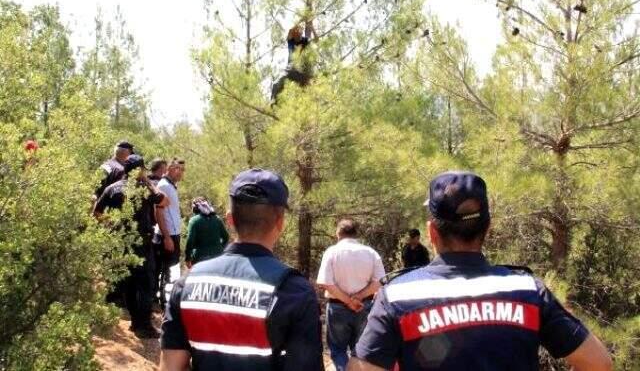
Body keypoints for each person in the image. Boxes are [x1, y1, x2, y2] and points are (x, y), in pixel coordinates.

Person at [348, 171, 613, 371]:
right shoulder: (529, 291)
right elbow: (599, 363)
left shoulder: (397, 297)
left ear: (431, 232)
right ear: (488, 228)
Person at [160, 168, 324, 371]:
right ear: (280, 223)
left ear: (229, 219)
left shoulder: (187, 283)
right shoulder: (295, 290)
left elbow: (170, 367)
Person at [94, 154, 168, 338]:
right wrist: (148, 182)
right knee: (145, 283)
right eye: (142, 170)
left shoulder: (112, 188)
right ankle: (142, 325)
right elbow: (164, 201)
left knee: (128, 283)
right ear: (139, 170)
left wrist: (112, 225)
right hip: (141, 243)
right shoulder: (143, 189)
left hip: (120, 241)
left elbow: (96, 211)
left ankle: (136, 323)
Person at [317, 219, 386, 371]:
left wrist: (348, 301)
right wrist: (359, 297)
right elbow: (380, 281)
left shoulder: (331, 252)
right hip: (364, 306)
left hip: (337, 307)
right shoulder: (371, 253)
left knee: (338, 350)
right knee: (361, 350)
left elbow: (325, 282)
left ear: (338, 233)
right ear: (356, 233)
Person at [154, 157, 186, 306]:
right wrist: (167, 237)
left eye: (183, 170)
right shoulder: (164, 186)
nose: (182, 173)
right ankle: (166, 303)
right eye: (180, 169)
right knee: (167, 270)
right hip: (167, 235)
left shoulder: (171, 186)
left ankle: (167, 301)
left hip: (173, 234)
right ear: (171, 169)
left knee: (170, 269)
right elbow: (158, 212)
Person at [185, 197, 230, 267]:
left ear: (195, 209)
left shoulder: (194, 221)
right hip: (218, 257)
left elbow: (190, 241)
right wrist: (220, 248)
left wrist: (188, 258)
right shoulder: (217, 219)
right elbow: (226, 237)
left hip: (200, 259)